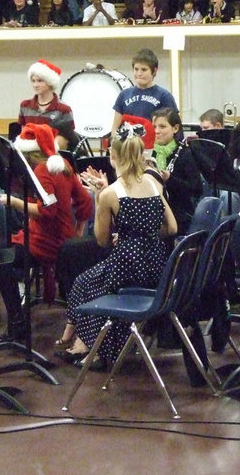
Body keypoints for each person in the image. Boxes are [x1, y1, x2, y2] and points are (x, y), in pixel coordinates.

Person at [58, 126, 177, 369]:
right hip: (156, 265)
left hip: (127, 267)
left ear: (113, 155)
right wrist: (145, 235)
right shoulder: (155, 185)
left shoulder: (111, 194)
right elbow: (172, 228)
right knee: (88, 280)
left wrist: (103, 203)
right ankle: (85, 342)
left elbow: (101, 240)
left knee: (85, 282)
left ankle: (96, 347)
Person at [0, 123, 93, 343]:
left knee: (0, 263)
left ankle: (16, 323)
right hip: (60, 237)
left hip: (45, 241)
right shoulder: (63, 164)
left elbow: (48, 211)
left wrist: (14, 202)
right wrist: (76, 233)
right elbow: (85, 202)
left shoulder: (41, 170)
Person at [149, 108, 203, 234]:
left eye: (162, 126)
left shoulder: (184, 153)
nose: (157, 131)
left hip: (178, 214)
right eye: (154, 126)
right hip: (152, 211)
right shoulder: (149, 153)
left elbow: (196, 189)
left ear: (175, 128)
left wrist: (170, 180)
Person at [111, 48, 177, 132]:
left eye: (144, 70)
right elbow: (115, 128)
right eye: (136, 69)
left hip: (154, 143)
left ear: (154, 70)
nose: (139, 74)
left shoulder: (164, 96)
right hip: (129, 143)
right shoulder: (123, 95)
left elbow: (173, 127)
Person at [18, 60, 75, 152]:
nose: (35, 85)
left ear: (50, 82)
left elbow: (68, 139)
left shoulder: (64, 109)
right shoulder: (25, 106)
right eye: (33, 81)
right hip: (29, 155)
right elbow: (23, 134)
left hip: (54, 157)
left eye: (40, 81)